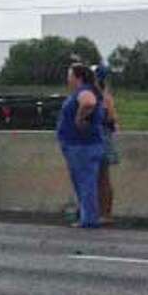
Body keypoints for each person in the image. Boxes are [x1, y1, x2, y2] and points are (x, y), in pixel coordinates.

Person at [57, 63, 105, 228]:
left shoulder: (84, 91)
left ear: (78, 77)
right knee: (84, 181)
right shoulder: (87, 90)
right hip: (81, 144)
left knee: (85, 182)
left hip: (82, 145)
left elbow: (88, 103)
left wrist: (79, 118)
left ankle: (89, 218)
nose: (67, 79)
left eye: (70, 75)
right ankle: (87, 215)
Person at [94, 64, 118, 224]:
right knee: (101, 178)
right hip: (103, 137)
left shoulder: (103, 97)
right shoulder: (104, 95)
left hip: (101, 138)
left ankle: (106, 213)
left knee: (102, 177)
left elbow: (111, 120)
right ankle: (102, 212)